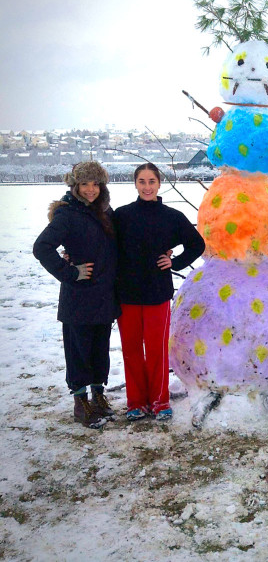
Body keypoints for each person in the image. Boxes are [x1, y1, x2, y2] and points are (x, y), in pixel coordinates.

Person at [114, 163, 205, 422]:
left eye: (151, 181)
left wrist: (174, 263)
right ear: (135, 184)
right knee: (131, 350)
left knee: (156, 349)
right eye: (142, 181)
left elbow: (196, 244)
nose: (147, 186)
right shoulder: (121, 215)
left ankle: (160, 401)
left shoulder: (171, 216)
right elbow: (104, 245)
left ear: (159, 184)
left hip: (157, 293)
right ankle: (136, 402)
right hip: (126, 293)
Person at [33, 161, 119, 428]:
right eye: (85, 184)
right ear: (75, 186)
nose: (91, 189)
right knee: (79, 350)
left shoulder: (105, 211)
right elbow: (42, 247)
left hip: (104, 296)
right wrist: (70, 272)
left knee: (99, 350)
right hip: (79, 298)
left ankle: (98, 395)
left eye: (95, 184)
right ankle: (81, 403)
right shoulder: (67, 214)